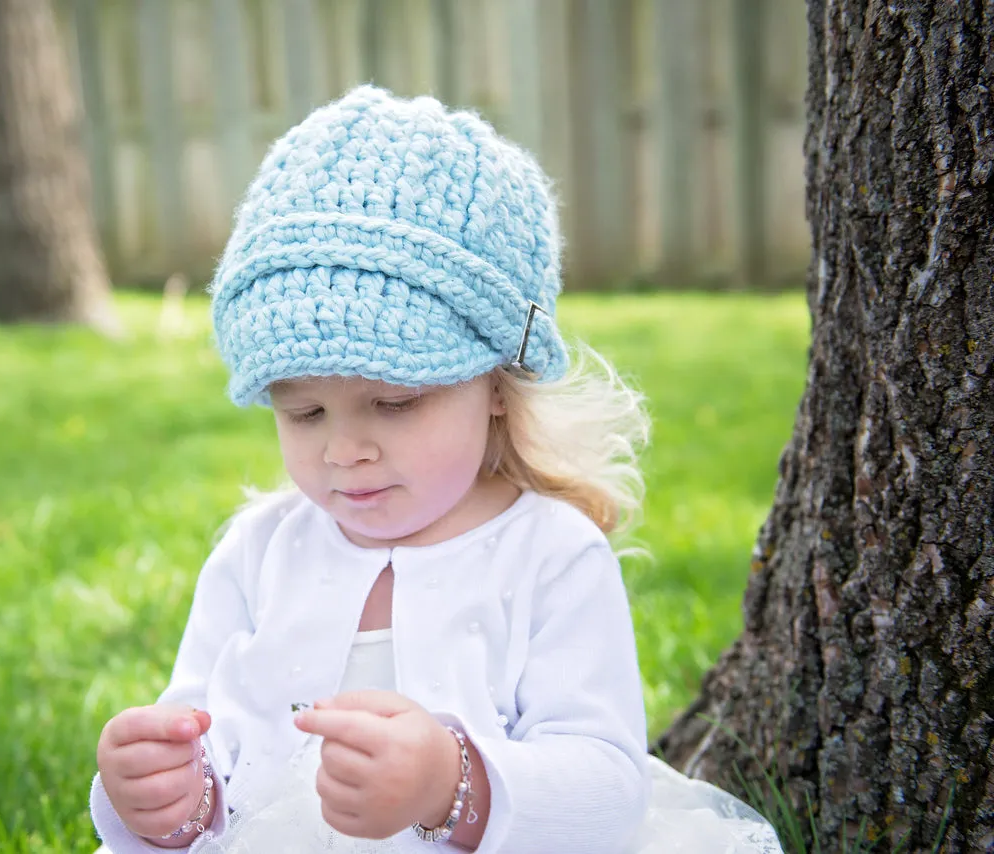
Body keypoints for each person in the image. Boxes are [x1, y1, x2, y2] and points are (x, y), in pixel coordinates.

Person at [88, 86, 783, 854]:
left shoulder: (549, 555)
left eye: (394, 402)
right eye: (305, 413)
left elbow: (607, 789)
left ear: (496, 382)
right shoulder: (258, 554)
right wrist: (160, 797)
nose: (344, 450)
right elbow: (205, 759)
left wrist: (450, 786)